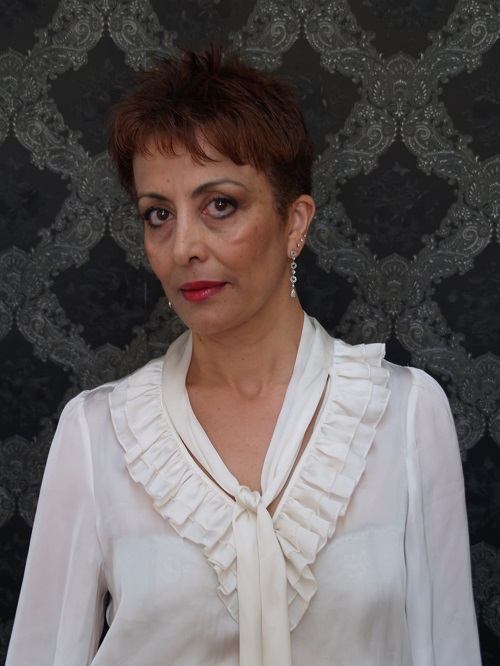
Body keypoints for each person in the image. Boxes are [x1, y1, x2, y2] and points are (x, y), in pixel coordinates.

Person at [6, 45, 481, 666]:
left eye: (220, 205)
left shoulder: (406, 415)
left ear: (295, 223)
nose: (183, 247)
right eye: (158, 214)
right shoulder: (98, 434)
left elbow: (447, 648)